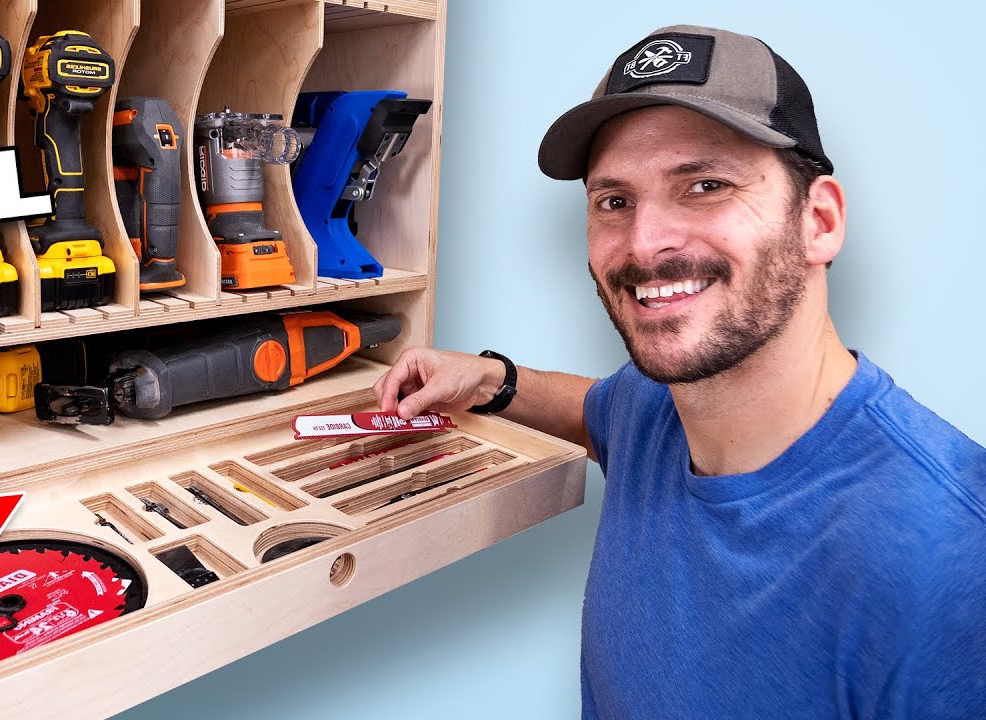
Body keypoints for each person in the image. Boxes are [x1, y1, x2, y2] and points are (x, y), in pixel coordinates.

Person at [373, 25, 986, 719]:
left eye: (705, 184)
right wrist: (491, 378)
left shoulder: (949, 560)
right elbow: (599, 410)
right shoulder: (655, 408)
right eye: (614, 201)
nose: (644, 242)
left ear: (819, 221)